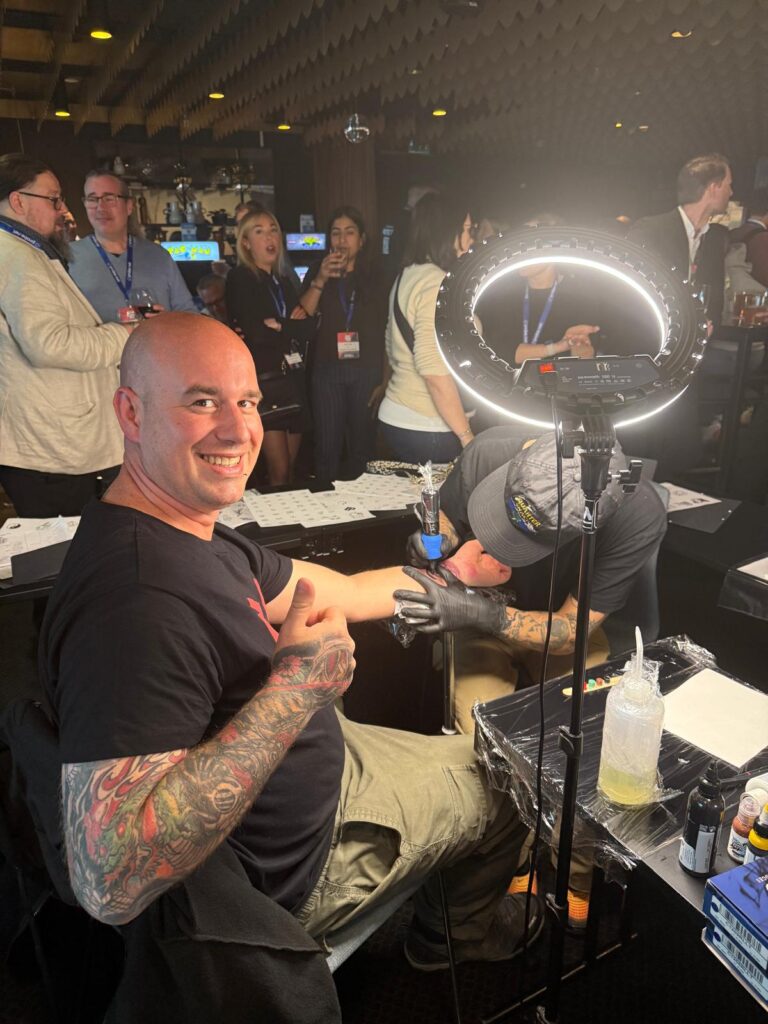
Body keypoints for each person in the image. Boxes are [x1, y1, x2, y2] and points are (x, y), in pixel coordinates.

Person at [40, 315, 542, 1017]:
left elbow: (342, 591)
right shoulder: (138, 603)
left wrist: (453, 578)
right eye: (201, 401)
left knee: (480, 745)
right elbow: (111, 881)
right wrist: (297, 693)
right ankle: (452, 936)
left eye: (247, 402)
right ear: (131, 412)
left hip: (317, 765)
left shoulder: (187, 532)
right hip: (302, 860)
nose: (237, 430)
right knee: (519, 769)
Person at [399, 426, 667, 923]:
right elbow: (451, 525)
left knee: (585, 739)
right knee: (480, 734)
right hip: (478, 606)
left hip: (559, 626)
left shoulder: (637, 512)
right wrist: (435, 542)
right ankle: (508, 859)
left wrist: (491, 618)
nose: (502, 543)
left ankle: (572, 873)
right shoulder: (488, 452)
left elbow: (569, 628)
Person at [0, 153, 132, 517]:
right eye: (53, 198)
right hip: (53, 448)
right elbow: (49, 344)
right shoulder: (18, 257)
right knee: (70, 545)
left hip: (49, 441)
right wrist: (125, 335)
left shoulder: (21, 250)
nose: (62, 208)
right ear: (18, 201)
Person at [378, 192, 475, 463]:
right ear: (447, 231)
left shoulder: (408, 274)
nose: (471, 239)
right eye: (467, 229)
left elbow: (390, 343)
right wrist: (467, 437)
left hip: (402, 414)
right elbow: (433, 370)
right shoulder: (436, 282)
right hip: (429, 425)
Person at [225, 210, 317, 485]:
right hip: (264, 383)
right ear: (246, 243)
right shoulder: (241, 278)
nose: (269, 237)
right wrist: (289, 326)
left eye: (273, 230)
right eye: (259, 231)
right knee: (279, 471)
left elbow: (308, 328)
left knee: (290, 471)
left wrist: (280, 325)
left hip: (293, 379)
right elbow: (256, 334)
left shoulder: (283, 281)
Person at [299, 206, 388, 485]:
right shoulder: (318, 270)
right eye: (336, 233)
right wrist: (321, 279)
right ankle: (326, 504)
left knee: (363, 448)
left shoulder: (376, 275)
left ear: (361, 239)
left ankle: (363, 507)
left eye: (349, 233)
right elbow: (303, 314)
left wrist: (386, 378)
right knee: (327, 448)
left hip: (366, 371)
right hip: (327, 370)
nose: (342, 240)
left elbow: (388, 328)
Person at [69, 171, 198, 323]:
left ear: (129, 206)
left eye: (109, 199)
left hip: (155, 338)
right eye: (92, 199)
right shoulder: (69, 257)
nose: (100, 207)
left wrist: (166, 321)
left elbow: (190, 315)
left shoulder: (159, 256)